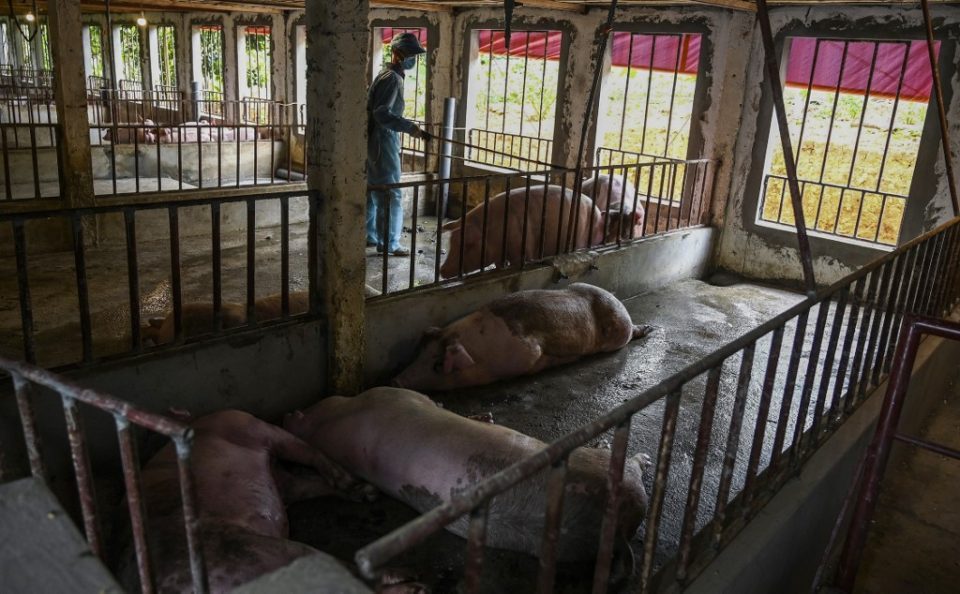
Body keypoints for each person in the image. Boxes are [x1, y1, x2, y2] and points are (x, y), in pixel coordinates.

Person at [366, 32, 432, 257]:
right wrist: (411, 128)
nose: (413, 58)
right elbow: (382, 113)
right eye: (409, 54)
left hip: (376, 139)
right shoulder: (392, 79)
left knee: (373, 190)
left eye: (415, 54)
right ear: (396, 53)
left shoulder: (384, 74)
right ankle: (389, 243)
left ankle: (370, 235)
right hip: (383, 140)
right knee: (390, 193)